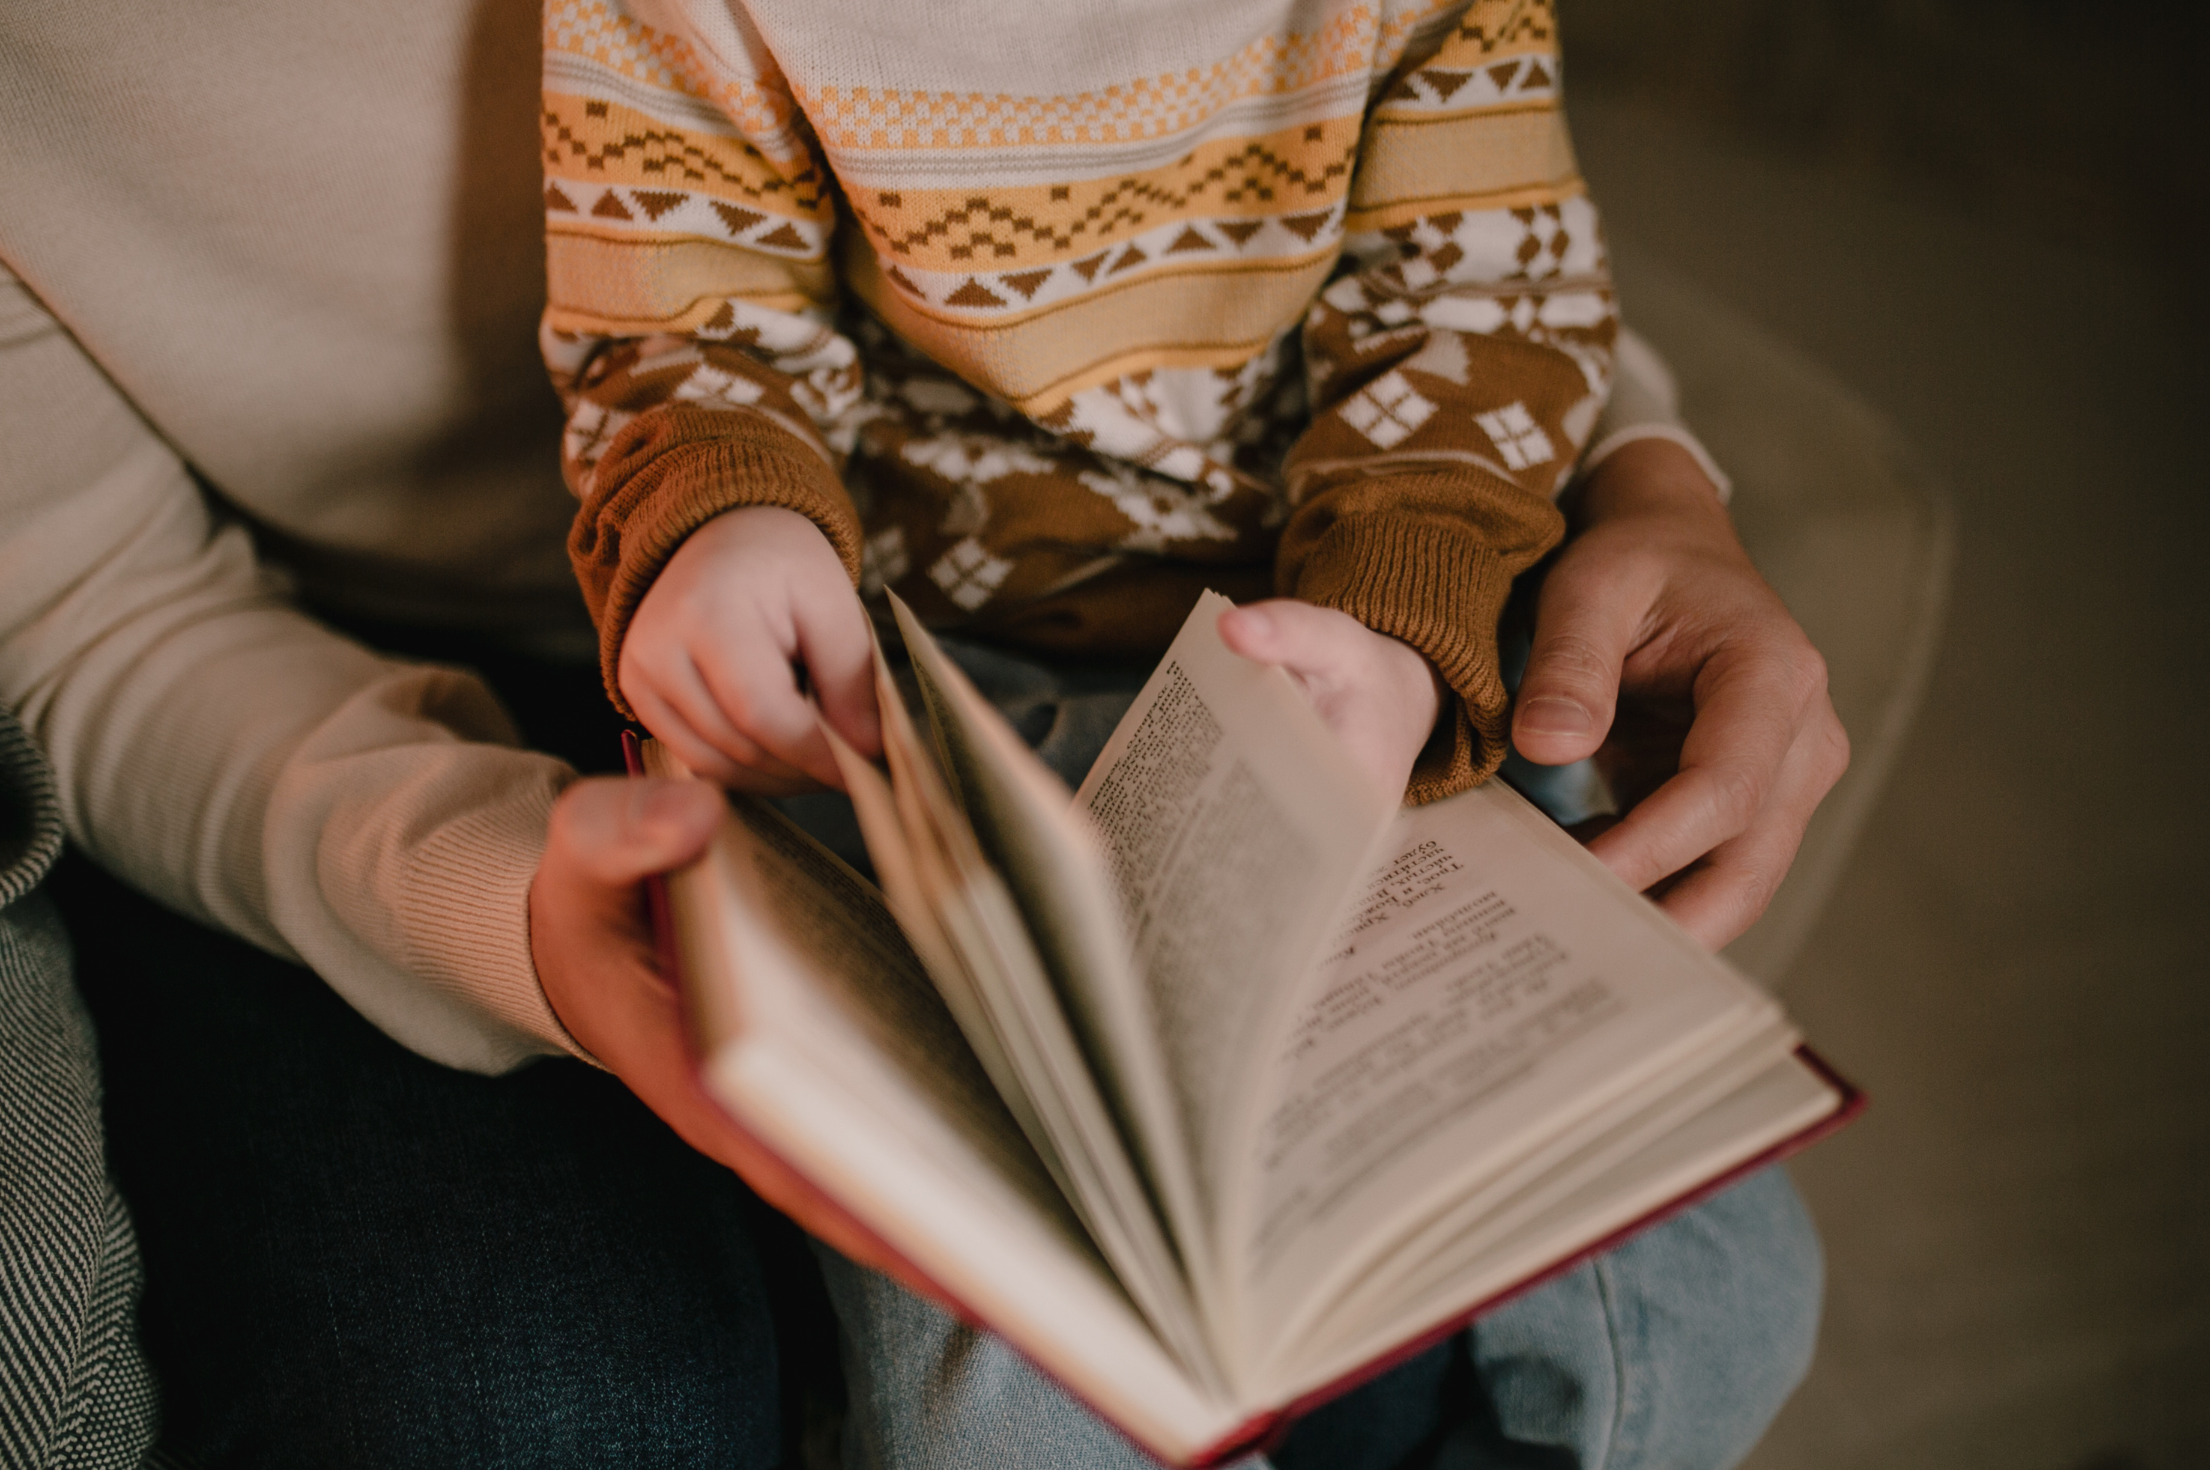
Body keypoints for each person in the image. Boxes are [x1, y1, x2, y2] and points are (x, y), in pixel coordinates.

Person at [0, 0, 1843, 1464]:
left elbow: (1481, 288)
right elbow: (680, 314)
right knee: (1010, 1343)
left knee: (1708, 1280)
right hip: (916, 702)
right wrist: (722, 524)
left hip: (1362, 659)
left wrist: (1434, 597)